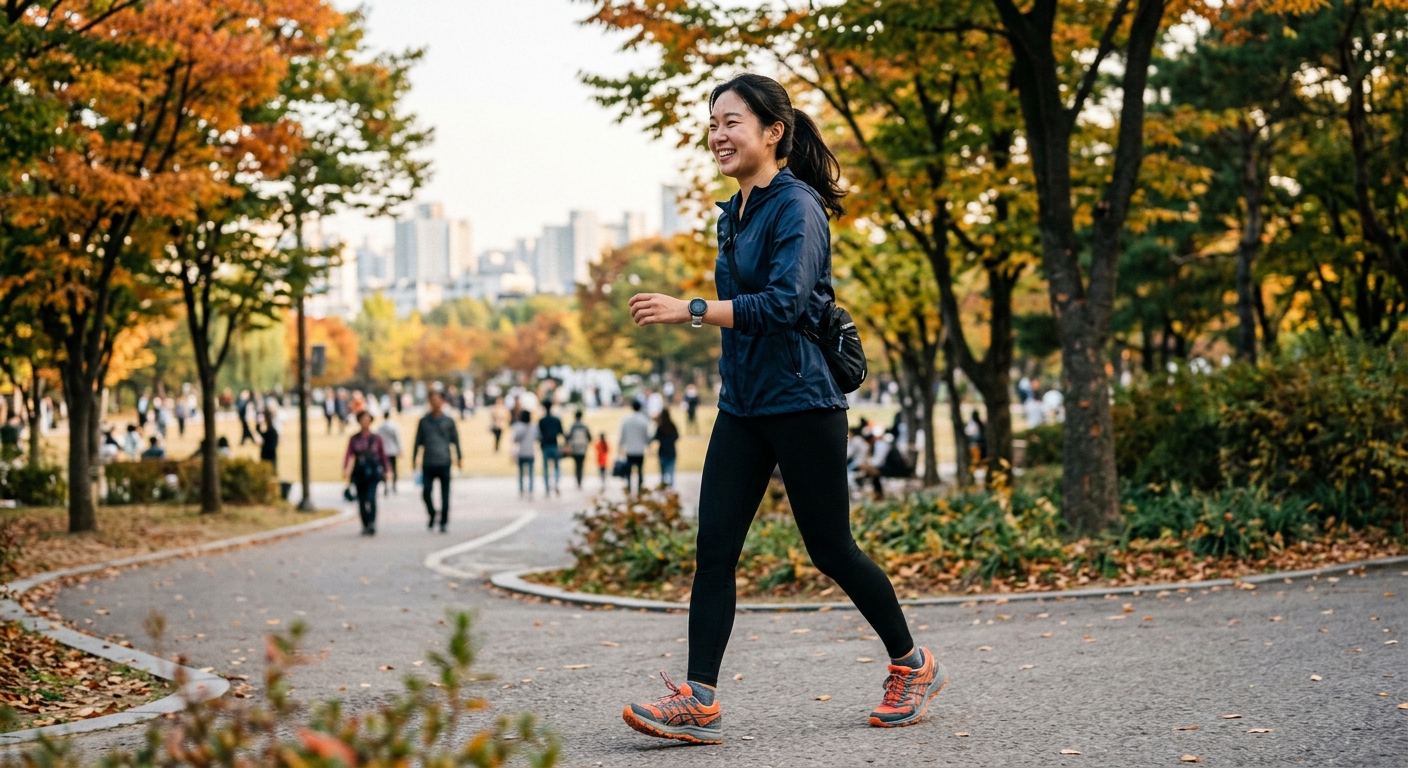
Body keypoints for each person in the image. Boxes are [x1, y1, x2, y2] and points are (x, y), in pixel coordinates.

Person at [620, 74, 938, 744]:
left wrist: (692, 310)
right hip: (743, 404)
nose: (717, 134)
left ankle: (912, 664)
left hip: (802, 400)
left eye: (731, 121)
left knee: (831, 549)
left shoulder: (797, 207)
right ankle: (699, 698)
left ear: (773, 132)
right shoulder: (732, 212)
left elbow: (788, 305)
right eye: (712, 123)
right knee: (714, 549)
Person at [413, 390, 461, 533]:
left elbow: (456, 441)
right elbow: (417, 442)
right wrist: (414, 459)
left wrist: (459, 457)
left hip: (444, 461)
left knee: (445, 494)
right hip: (428, 462)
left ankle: (444, 521)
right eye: (432, 400)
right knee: (426, 492)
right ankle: (432, 513)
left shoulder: (448, 421)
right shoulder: (423, 421)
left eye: (438, 399)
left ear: (442, 401)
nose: (435, 402)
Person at [343, 411, 389, 536]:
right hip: (359, 471)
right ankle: (365, 524)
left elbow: (382, 455)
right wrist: (346, 468)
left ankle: (372, 523)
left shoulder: (376, 438)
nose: (365, 421)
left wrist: (387, 470)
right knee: (362, 499)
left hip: (373, 471)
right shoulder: (354, 438)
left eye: (367, 419)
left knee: (371, 497)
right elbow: (348, 454)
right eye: (363, 419)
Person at [618, 401, 651, 494]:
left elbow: (622, 435)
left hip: (630, 449)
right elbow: (646, 436)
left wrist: (620, 447)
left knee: (629, 470)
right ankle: (639, 488)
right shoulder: (644, 420)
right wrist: (648, 445)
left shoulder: (626, 419)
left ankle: (629, 486)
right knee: (640, 470)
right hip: (640, 450)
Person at [538, 403, 564, 496]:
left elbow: (539, 434)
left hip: (545, 446)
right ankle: (556, 484)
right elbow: (561, 432)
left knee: (545, 468)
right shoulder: (556, 419)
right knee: (557, 467)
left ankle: (547, 487)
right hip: (554, 445)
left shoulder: (542, 420)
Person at [566, 409, 593, 490]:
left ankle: (577, 481)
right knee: (581, 465)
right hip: (583, 448)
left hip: (575, 448)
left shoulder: (573, 426)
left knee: (576, 465)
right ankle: (580, 481)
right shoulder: (584, 426)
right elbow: (590, 438)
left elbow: (568, 438)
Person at [376, 414, 403, 495]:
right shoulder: (393, 426)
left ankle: (385, 486)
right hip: (392, 450)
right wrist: (400, 449)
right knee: (394, 468)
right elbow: (397, 438)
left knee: (385, 469)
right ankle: (394, 485)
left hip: (384, 450)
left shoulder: (380, 427)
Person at [512, 410, 536, 497]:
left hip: (521, 452)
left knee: (521, 473)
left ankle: (522, 490)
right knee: (530, 473)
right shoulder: (533, 427)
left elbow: (515, 439)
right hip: (530, 452)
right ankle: (530, 490)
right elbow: (537, 437)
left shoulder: (518, 426)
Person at [654, 407, 679, 487]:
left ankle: (663, 489)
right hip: (671, 451)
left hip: (662, 452)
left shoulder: (660, 427)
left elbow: (655, 437)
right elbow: (677, 436)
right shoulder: (672, 426)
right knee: (671, 473)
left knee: (663, 474)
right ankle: (671, 491)